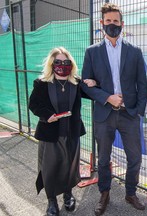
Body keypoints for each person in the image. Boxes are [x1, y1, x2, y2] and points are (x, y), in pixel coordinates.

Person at [80, 3, 147, 216]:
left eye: (115, 21)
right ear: (102, 24)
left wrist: (138, 111)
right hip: (104, 113)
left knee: (135, 157)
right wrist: (107, 97)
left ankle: (130, 193)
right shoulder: (92, 52)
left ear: (122, 24)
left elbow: (142, 85)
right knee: (103, 158)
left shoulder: (135, 52)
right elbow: (84, 84)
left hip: (129, 114)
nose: (112, 25)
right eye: (108, 22)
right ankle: (104, 193)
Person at [29, 47, 86, 216]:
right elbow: (33, 105)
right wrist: (47, 116)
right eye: (58, 62)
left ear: (71, 64)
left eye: (66, 62)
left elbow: (92, 93)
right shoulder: (42, 83)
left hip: (72, 133)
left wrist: (92, 82)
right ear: (52, 64)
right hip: (50, 134)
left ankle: (68, 195)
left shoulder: (76, 82)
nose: (62, 65)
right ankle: (51, 200)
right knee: (50, 168)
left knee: (70, 166)